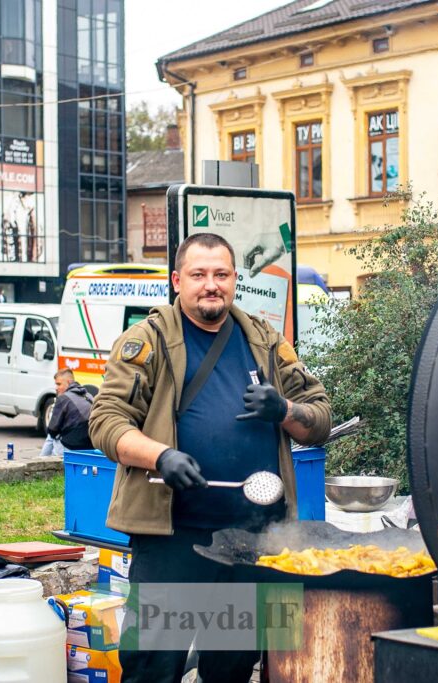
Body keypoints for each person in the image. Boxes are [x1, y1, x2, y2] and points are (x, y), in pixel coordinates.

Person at [89, 233, 332, 683]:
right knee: (153, 668)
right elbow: (106, 420)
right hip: (173, 539)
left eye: (221, 274)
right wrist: (160, 456)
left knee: (235, 667)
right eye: (199, 275)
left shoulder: (264, 340)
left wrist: (284, 410)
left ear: (235, 279)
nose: (211, 285)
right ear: (177, 280)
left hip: (257, 538)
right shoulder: (148, 339)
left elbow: (319, 419)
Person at [43, 369, 93, 455]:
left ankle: (41, 462)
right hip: (90, 445)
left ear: (69, 382)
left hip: (71, 447)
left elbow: (52, 430)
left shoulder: (63, 398)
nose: (56, 388)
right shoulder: (89, 396)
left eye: (59, 384)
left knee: (51, 437)